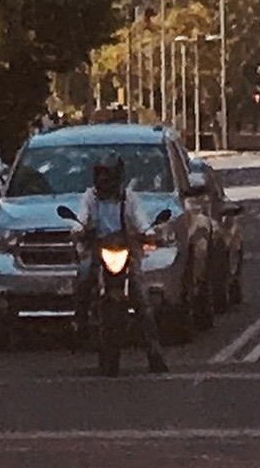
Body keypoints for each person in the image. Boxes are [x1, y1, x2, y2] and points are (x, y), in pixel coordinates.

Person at [77, 156, 164, 375]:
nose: (104, 181)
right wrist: (78, 229)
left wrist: (149, 235)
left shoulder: (130, 199)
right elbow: (80, 218)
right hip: (99, 252)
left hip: (126, 253)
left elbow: (141, 221)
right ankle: (79, 321)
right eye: (101, 176)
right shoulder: (89, 197)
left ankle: (154, 352)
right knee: (83, 275)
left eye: (108, 176)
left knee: (142, 299)